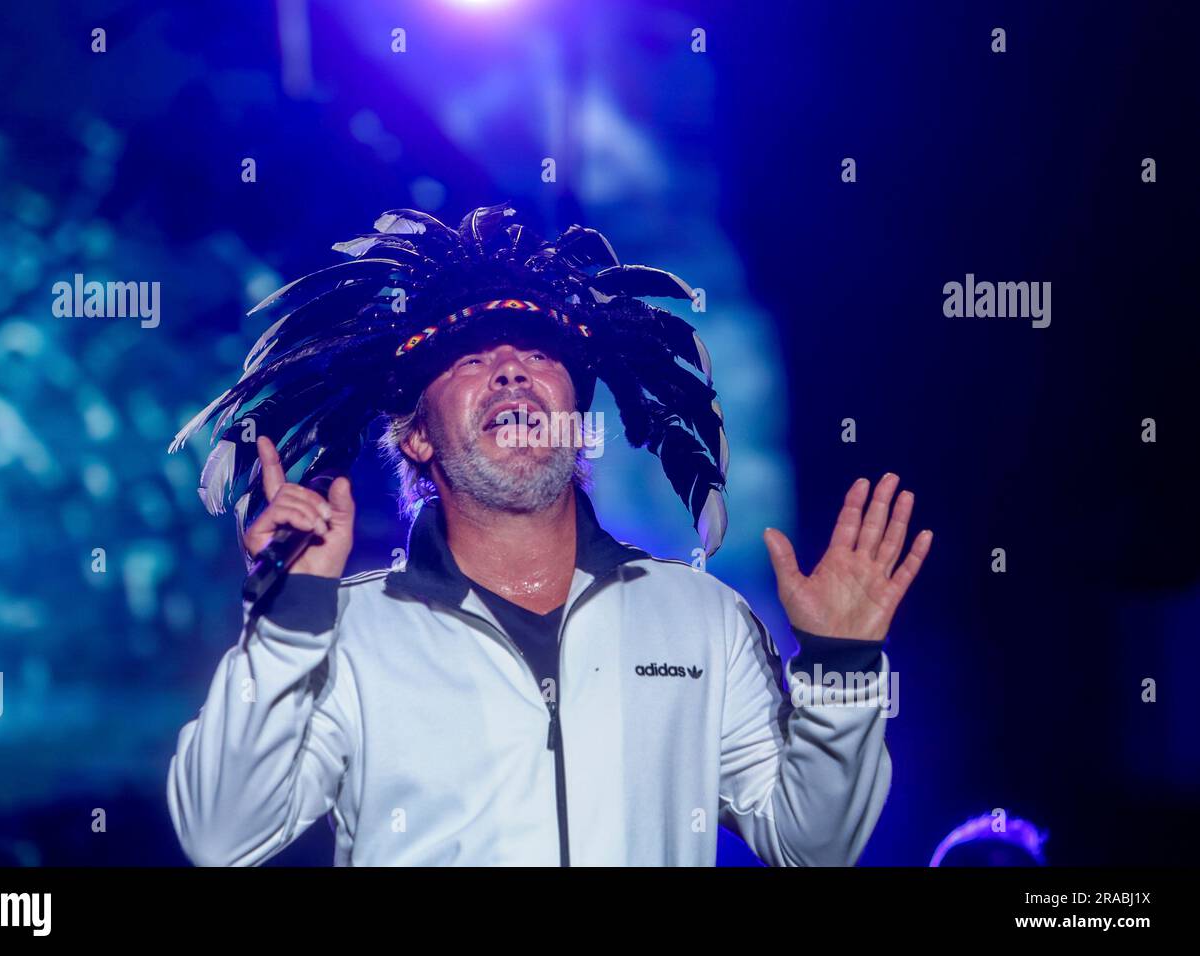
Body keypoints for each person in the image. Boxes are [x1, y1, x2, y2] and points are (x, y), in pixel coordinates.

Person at [164, 203, 932, 866]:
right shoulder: (347, 635)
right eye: (470, 358)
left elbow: (815, 847)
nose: (511, 372)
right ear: (417, 436)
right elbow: (222, 837)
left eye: (539, 354)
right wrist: (289, 621)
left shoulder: (702, 620)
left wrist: (841, 665)